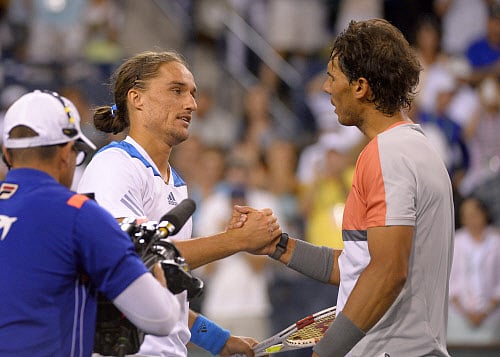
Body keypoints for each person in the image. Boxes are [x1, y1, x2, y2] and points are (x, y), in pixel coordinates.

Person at [236, 19, 455, 356]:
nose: (326, 88)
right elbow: (359, 267)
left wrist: (327, 351)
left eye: (332, 76)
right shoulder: (417, 149)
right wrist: (277, 245)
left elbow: (388, 272)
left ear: (360, 86)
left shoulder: (387, 154)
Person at [77, 51, 282, 357]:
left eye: (192, 93)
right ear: (137, 99)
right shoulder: (113, 166)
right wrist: (235, 240)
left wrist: (218, 340)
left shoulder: (176, 182)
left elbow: (161, 292)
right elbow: (134, 261)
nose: (191, 104)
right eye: (176, 90)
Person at [0, 90, 182, 356]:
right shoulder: (79, 215)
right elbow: (161, 318)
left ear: (6, 151)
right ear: (66, 153)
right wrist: (157, 274)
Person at [448, 196, 500, 346]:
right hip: (459, 317)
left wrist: (486, 311)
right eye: (467, 216)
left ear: (484, 214)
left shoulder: (496, 242)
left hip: (491, 318)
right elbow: (451, 281)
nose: (471, 220)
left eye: (475, 214)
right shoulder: (456, 241)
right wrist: (466, 312)